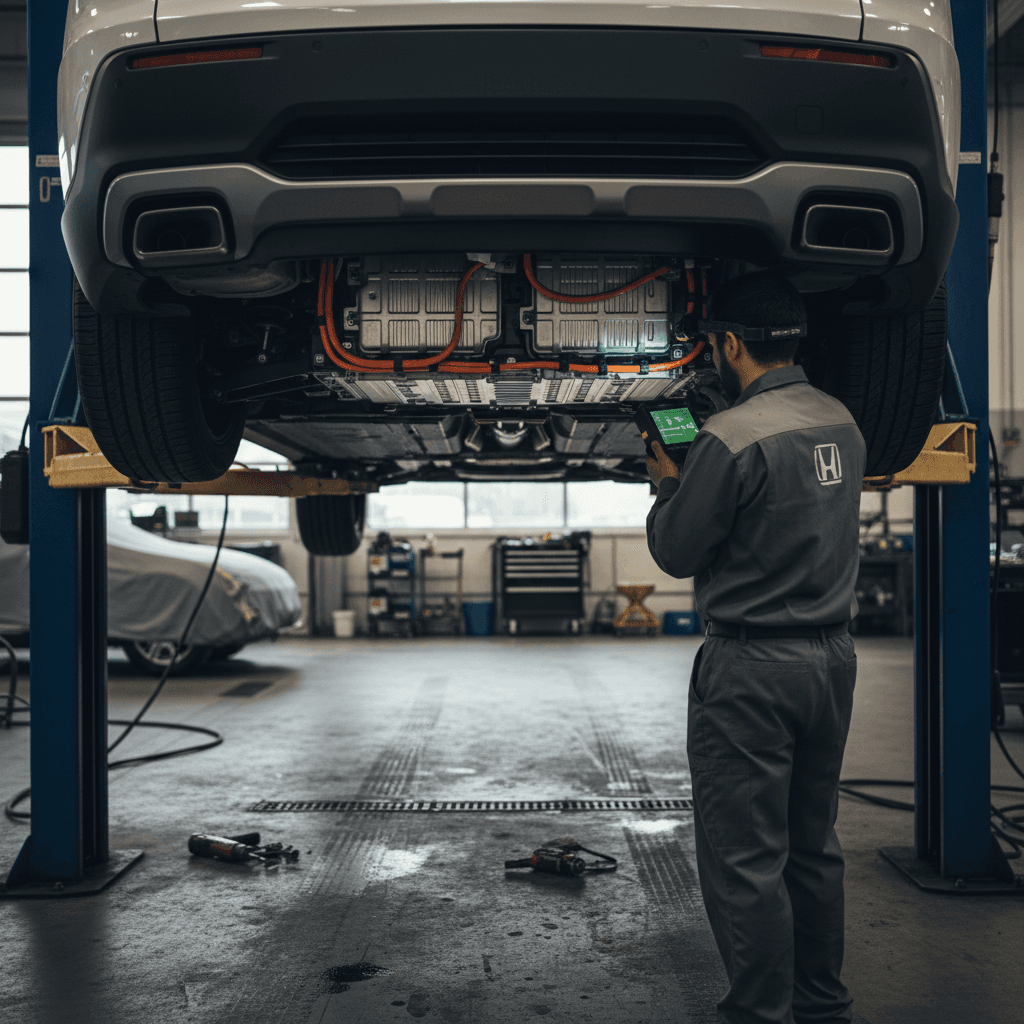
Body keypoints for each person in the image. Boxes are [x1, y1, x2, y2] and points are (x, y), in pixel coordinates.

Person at [645, 271, 866, 1024]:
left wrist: (668, 483)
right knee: (813, 845)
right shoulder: (840, 419)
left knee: (745, 857)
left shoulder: (729, 437)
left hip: (752, 668)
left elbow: (678, 552)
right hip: (831, 660)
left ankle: (760, 1012)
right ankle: (821, 1004)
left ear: (732, 344)